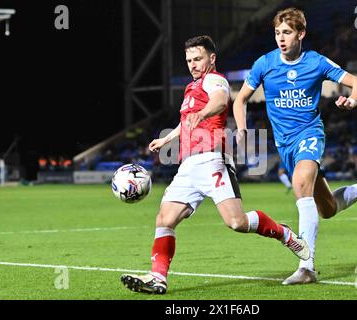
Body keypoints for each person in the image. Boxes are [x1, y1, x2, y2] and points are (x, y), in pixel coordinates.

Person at [120, 35, 310, 295]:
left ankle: (284, 234)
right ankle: (158, 278)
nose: (192, 64)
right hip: (187, 167)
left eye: (198, 58)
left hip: (212, 160)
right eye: (188, 60)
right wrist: (167, 138)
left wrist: (204, 113)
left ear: (212, 58)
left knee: (237, 223)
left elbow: (221, 100)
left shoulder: (214, 79)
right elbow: (186, 122)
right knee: (164, 219)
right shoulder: (191, 88)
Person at [233, 8, 357, 285]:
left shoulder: (316, 62)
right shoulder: (264, 63)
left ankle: (307, 267)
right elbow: (240, 100)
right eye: (277, 33)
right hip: (284, 144)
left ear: (301, 34)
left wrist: (351, 101)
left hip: (309, 135)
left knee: (300, 185)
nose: (281, 38)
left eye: (286, 32)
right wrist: (240, 128)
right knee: (328, 208)